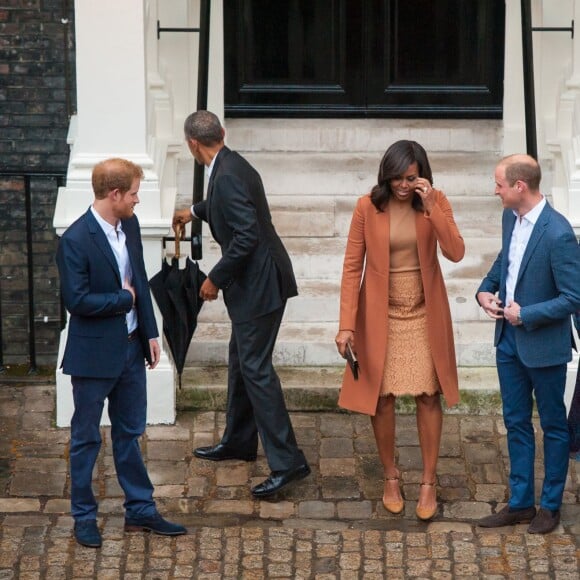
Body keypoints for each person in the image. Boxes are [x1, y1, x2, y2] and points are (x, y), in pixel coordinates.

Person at [173, 110, 310, 498]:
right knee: (242, 361)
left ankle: (288, 461)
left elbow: (246, 236)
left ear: (192, 144)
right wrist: (194, 211)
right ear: (222, 133)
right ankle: (238, 440)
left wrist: (216, 277)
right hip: (259, 283)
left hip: (260, 287)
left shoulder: (228, 173)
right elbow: (223, 201)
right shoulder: (230, 163)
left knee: (256, 369)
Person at [56, 158, 186, 548]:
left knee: (130, 433)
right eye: (133, 193)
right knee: (85, 439)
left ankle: (140, 510)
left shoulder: (128, 224)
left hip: (131, 352)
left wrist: (150, 331)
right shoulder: (75, 240)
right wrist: (122, 299)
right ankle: (83, 516)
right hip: (94, 357)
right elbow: (76, 300)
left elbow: (140, 282)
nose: (137, 200)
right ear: (114, 195)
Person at [335, 140, 465, 521]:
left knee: (428, 394)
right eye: (396, 179)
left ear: (422, 175)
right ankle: (390, 476)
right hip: (381, 313)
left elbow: (456, 252)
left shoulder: (436, 200)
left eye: (410, 178)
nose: (403, 186)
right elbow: (350, 267)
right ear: (386, 177)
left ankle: (428, 480)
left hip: (425, 311)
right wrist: (346, 324)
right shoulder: (367, 206)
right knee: (383, 397)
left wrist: (432, 210)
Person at [476, 154, 580, 534]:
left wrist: (528, 314)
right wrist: (485, 291)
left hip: (544, 347)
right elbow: (508, 259)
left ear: (520, 186)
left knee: (553, 426)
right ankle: (520, 503)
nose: (495, 190)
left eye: (499, 184)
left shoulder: (558, 233)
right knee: (515, 422)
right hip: (508, 344)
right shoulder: (510, 217)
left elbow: (574, 297)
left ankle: (550, 506)